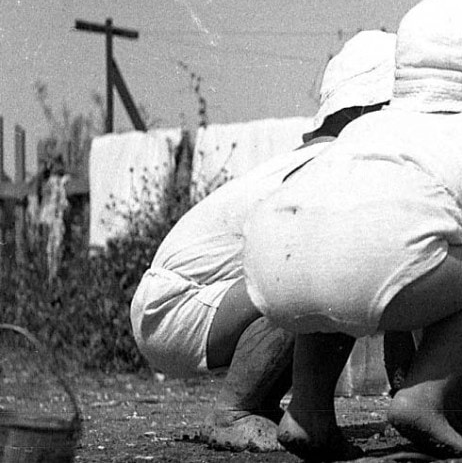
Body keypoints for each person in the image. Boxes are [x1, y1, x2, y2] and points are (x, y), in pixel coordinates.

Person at [241, 0, 462, 461]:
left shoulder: (365, 127)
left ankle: (307, 411)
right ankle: (421, 400)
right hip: (371, 269)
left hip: (273, 262)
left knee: (335, 269)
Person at [129, 29, 396, 453]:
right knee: (325, 268)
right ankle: (234, 411)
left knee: (335, 263)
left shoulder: (316, 157)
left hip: (188, 303)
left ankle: (260, 404)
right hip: (175, 307)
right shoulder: (328, 162)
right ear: (367, 111)